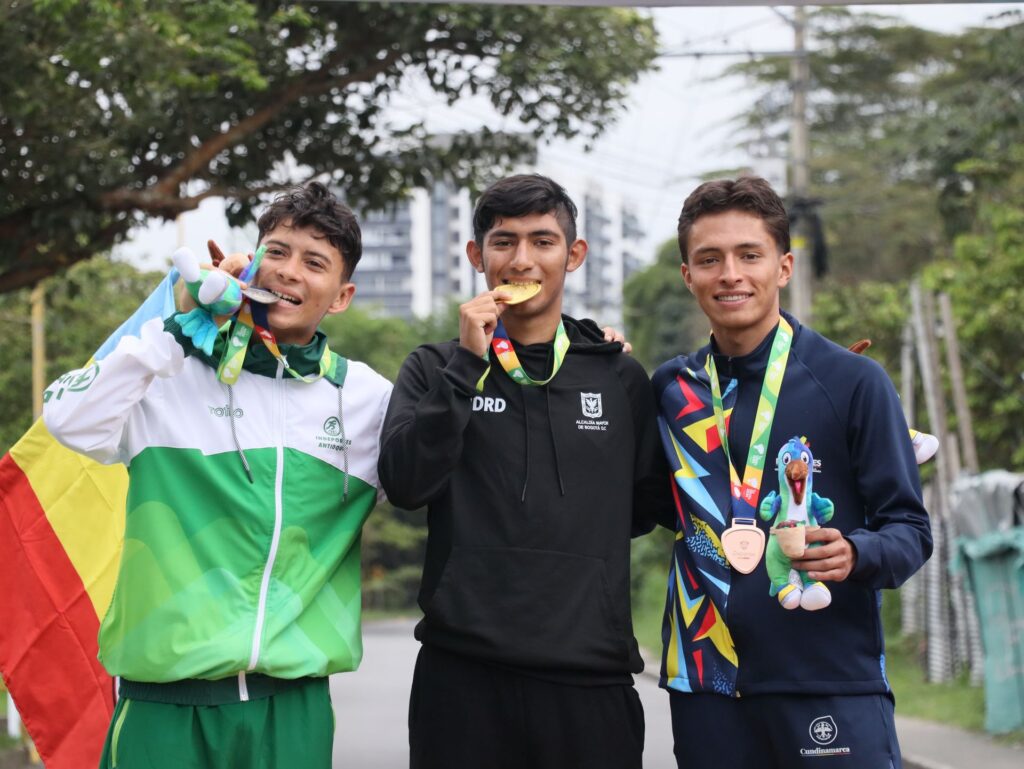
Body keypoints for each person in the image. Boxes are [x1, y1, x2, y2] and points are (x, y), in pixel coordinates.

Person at [42, 182, 392, 769]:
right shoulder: (171, 371)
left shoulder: (367, 399)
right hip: (165, 706)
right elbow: (67, 420)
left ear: (341, 295)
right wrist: (178, 330)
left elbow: (451, 474)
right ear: (248, 261)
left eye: (314, 262)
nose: (287, 273)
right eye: (275, 252)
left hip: (293, 710)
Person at [377, 173, 671, 769]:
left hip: (591, 676)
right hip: (460, 676)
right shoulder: (435, 366)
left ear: (575, 254)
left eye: (543, 241)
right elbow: (406, 484)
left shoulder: (618, 377)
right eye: (503, 242)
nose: (522, 260)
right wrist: (466, 365)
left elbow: (640, 508)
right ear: (476, 255)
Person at [652, 176, 932, 769]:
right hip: (705, 688)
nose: (730, 273)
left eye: (748, 255)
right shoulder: (671, 392)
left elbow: (910, 528)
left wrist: (857, 553)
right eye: (710, 259)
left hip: (828, 682)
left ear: (782, 267)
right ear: (688, 275)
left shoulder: (855, 383)